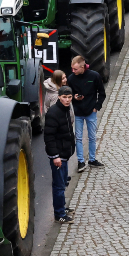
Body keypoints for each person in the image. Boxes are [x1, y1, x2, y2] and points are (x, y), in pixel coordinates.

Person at [68, 55, 106, 171]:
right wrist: (74, 98)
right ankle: (80, 161)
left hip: (91, 112)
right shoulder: (71, 79)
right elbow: (68, 96)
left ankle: (92, 159)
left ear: (83, 67)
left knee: (92, 137)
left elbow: (102, 93)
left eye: (75, 69)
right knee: (78, 138)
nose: (73, 71)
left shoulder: (94, 76)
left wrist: (97, 107)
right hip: (78, 112)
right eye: (72, 69)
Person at [44, 86, 77, 223]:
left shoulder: (66, 109)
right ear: (59, 97)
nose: (67, 100)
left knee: (62, 183)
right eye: (65, 97)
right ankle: (59, 214)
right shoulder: (53, 113)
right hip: (58, 156)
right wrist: (55, 156)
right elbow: (49, 137)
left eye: (69, 97)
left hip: (65, 153)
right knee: (58, 185)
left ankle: (62, 207)